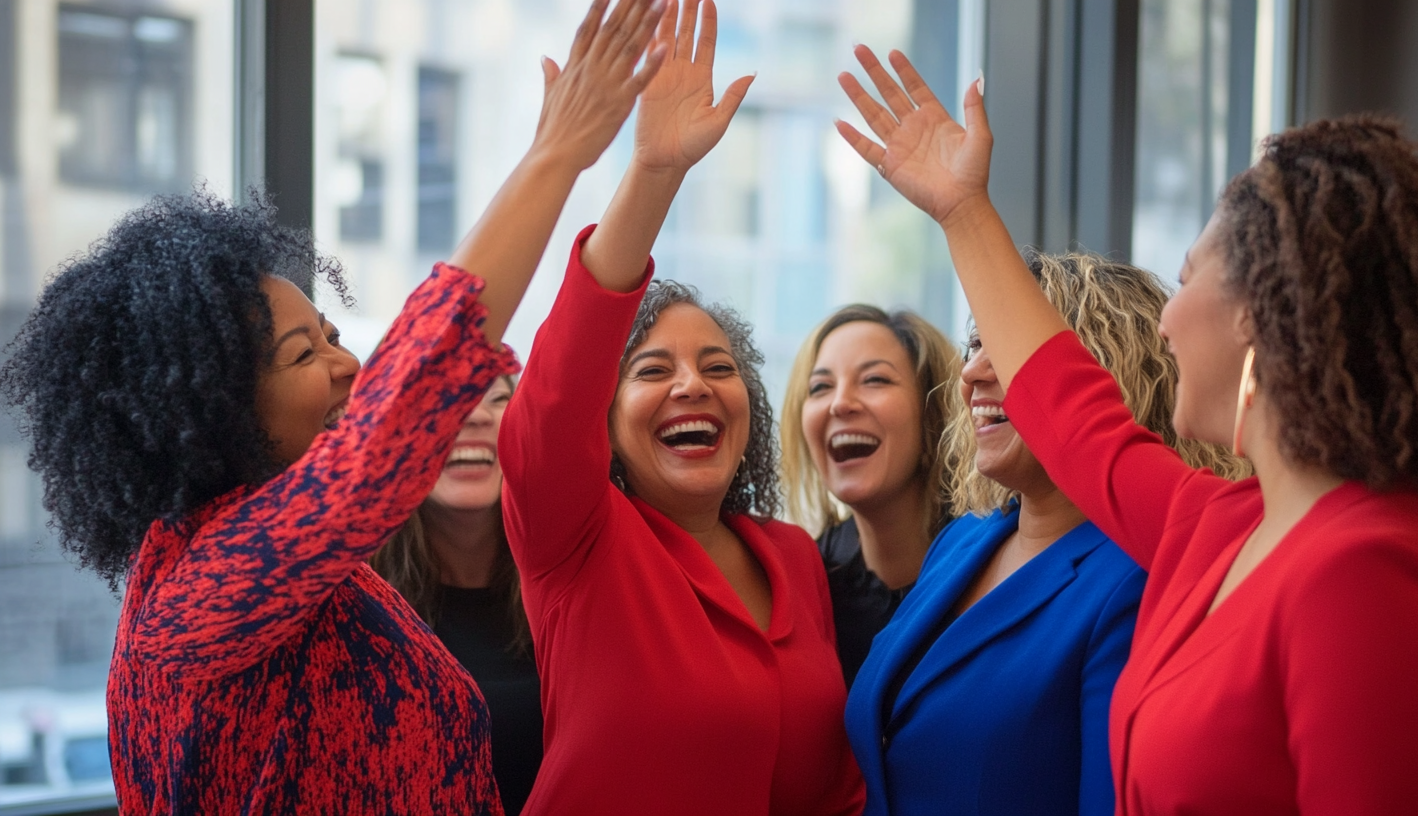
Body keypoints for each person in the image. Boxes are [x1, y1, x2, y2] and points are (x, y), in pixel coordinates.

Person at [0, 2, 668, 811]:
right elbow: (392, 423)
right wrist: (557, 155)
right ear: (210, 407)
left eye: (332, 335)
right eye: (303, 353)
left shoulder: (318, 578)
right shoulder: (199, 594)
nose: (350, 364)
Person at [836, 44, 1418, 814]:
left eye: (1188, 278)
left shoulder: (1369, 568)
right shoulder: (1220, 527)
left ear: (1261, 310)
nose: (1163, 323)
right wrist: (963, 213)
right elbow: (1070, 410)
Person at [498, 2, 864, 813]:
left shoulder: (795, 558)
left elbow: (832, 790)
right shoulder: (575, 539)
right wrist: (655, 174)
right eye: (652, 369)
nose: (692, 386)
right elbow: (552, 402)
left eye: (718, 367)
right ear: (609, 417)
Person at [845, 250, 1248, 816]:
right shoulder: (961, 541)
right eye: (974, 346)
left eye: (1003, 351)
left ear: (1095, 382)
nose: (972, 372)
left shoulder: (1136, 579)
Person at [370, 375, 542, 816]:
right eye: (444, 399)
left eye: (499, 397)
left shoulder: (579, 584)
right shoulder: (351, 597)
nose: (477, 414)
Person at [780, 305, 960, 685]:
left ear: (934, 413)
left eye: (875, 380)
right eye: (820, 387)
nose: (840, 403)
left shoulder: (997, 562)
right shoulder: (805, 585)